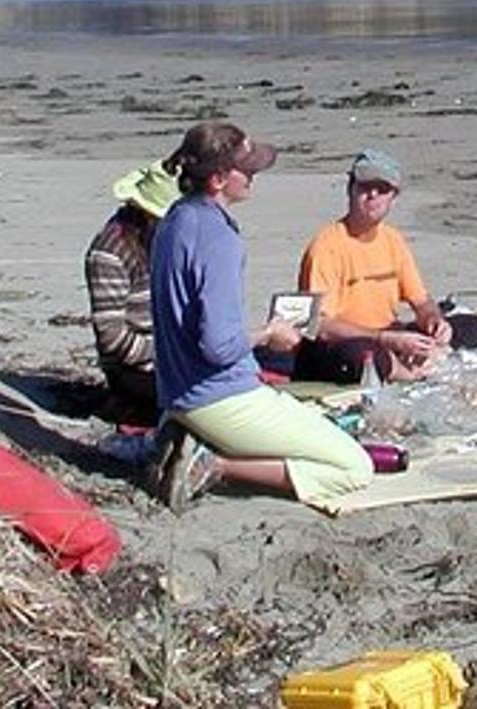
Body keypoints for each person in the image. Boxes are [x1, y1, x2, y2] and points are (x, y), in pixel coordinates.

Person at [149, 121, 373, 511]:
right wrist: (270, 333)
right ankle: (215, 464)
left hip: (178, 389)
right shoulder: (218, 238)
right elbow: (218, 346)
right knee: (354, 467)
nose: (253, 175)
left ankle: (195, 440)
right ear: (218, 179)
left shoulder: (175, 217)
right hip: (216, 396)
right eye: (246, 169)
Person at [294, 148, 477, 384]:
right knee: (363, 356)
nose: (372, 195)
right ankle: (406, 372)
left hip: (388, 332)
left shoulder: (392, 240)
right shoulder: (326, 246)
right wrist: (385, 339)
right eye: (365, 187)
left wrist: (434, 321)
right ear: (351, 189)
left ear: (393, 196)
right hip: (343, 343)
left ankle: (415, 360)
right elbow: (320, 326)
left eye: (382, 189)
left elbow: (421, 300)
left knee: (469, 326)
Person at [83, 163, 178, 418]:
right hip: (136, 366)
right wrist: (172, 353)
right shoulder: (110, 253)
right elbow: (112, 338)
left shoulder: (167, 245)